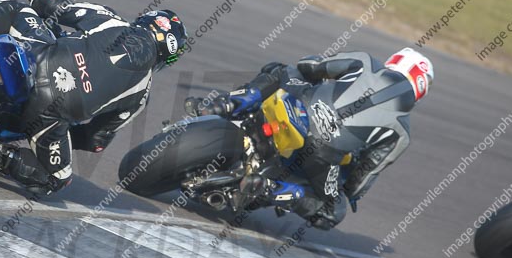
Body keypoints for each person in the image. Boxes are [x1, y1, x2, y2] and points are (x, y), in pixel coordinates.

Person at [0, 0, 187, 195]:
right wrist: (66, 126)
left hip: (39, 57)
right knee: (56, 180)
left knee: (15, 8)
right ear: (166, 58)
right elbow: (96, 139)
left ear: (144, 20)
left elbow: (52, 4)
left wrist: (41, 4)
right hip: (49, 116)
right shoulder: (141, 95)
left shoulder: (111, 20)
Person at [185, 48, 434, 229]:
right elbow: (364, 176)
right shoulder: (401, 131)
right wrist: (348, 190)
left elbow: (311, 66)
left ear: (394, 61)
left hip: (298, 108)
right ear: (421, 89)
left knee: (280, 70)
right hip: (324, 155)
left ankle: (225, 105)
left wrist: (309, 74)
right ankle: (272, 188)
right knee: (332, 212)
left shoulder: (365, 61)